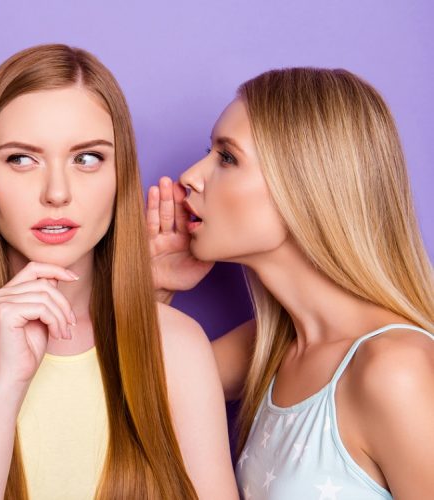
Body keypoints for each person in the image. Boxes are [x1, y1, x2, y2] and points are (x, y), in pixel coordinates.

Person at [0, 44, 237, 500]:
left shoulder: (178, 343)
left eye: (87, 158)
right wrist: (6, 389)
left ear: (121, 175)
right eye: (21, 159)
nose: (57, 193)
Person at [149, 67, 434, 499]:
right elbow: (140, 395)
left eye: (227, 158)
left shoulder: (394, 369)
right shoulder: (271, 346)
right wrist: (156, 290)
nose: (190, 175)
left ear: (304, 185)